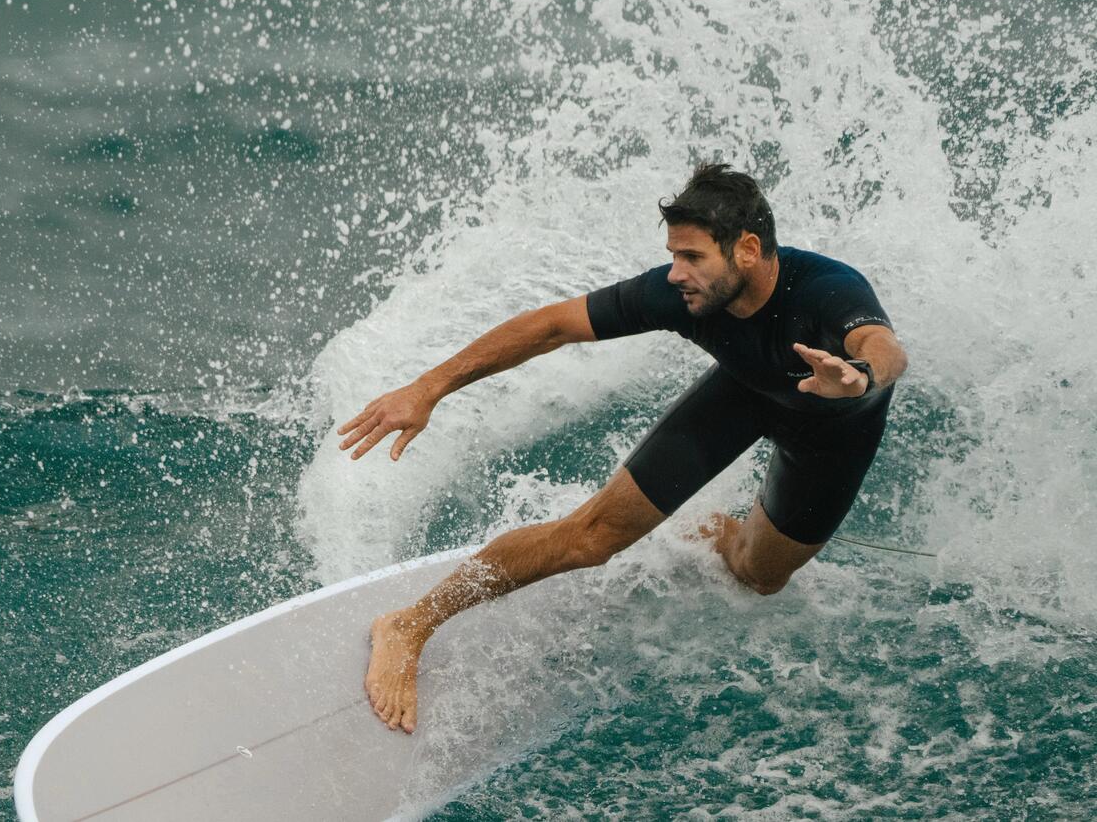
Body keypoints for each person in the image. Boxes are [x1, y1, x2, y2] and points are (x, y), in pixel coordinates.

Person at [340, 163, 909, 734]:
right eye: (674, 255)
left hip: (832, 434)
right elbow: (552, 326)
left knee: (758, 574)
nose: (677, 272)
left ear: (747, 250)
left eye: (693, 257)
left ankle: (715, 533)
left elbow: (885, 347)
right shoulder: (680, 294)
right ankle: (410, 625)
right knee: (591, 537)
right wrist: (429, 388)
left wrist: (857, 377)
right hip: (742, 395)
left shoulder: (827, 289)